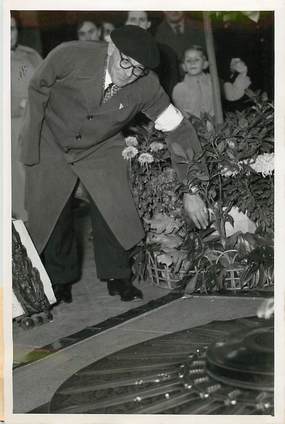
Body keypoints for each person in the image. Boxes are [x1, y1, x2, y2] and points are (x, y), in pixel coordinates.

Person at [20, 26, 209, 305]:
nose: (129, 73)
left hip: (100, 143)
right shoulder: (69, 55)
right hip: (51, 139)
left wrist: (192, 187)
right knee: (52, 209)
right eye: (125, 62)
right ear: (110, 47)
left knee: (114, 205)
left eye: (138, 69)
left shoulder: (147, 85)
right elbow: (37, 87)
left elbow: (178, 130)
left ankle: (117, 275)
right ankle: (59, 280)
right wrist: (30, 143)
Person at [11, 13, 42, 221]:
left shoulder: (29, 54)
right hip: (11, 130)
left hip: (37, 125)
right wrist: (20, 104)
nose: (9, 34)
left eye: (12, 29)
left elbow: (48, 81)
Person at [172, 45, 251, 119]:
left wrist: (242, 74)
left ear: (205, 64)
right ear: (184, 67)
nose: (193, 62)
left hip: (215, 128)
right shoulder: (179, 89)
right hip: (192, 129)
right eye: (188, 60)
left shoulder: (214, 82)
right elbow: (180, 113)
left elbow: (233, 93)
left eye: (197, 59)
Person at [125, 10, 180, 97]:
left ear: (148, 24)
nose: (137, 23)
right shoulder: (117, 50)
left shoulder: (165, 52)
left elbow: (170, 88)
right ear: (126, 23)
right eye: (133, 19)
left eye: (142, 20)